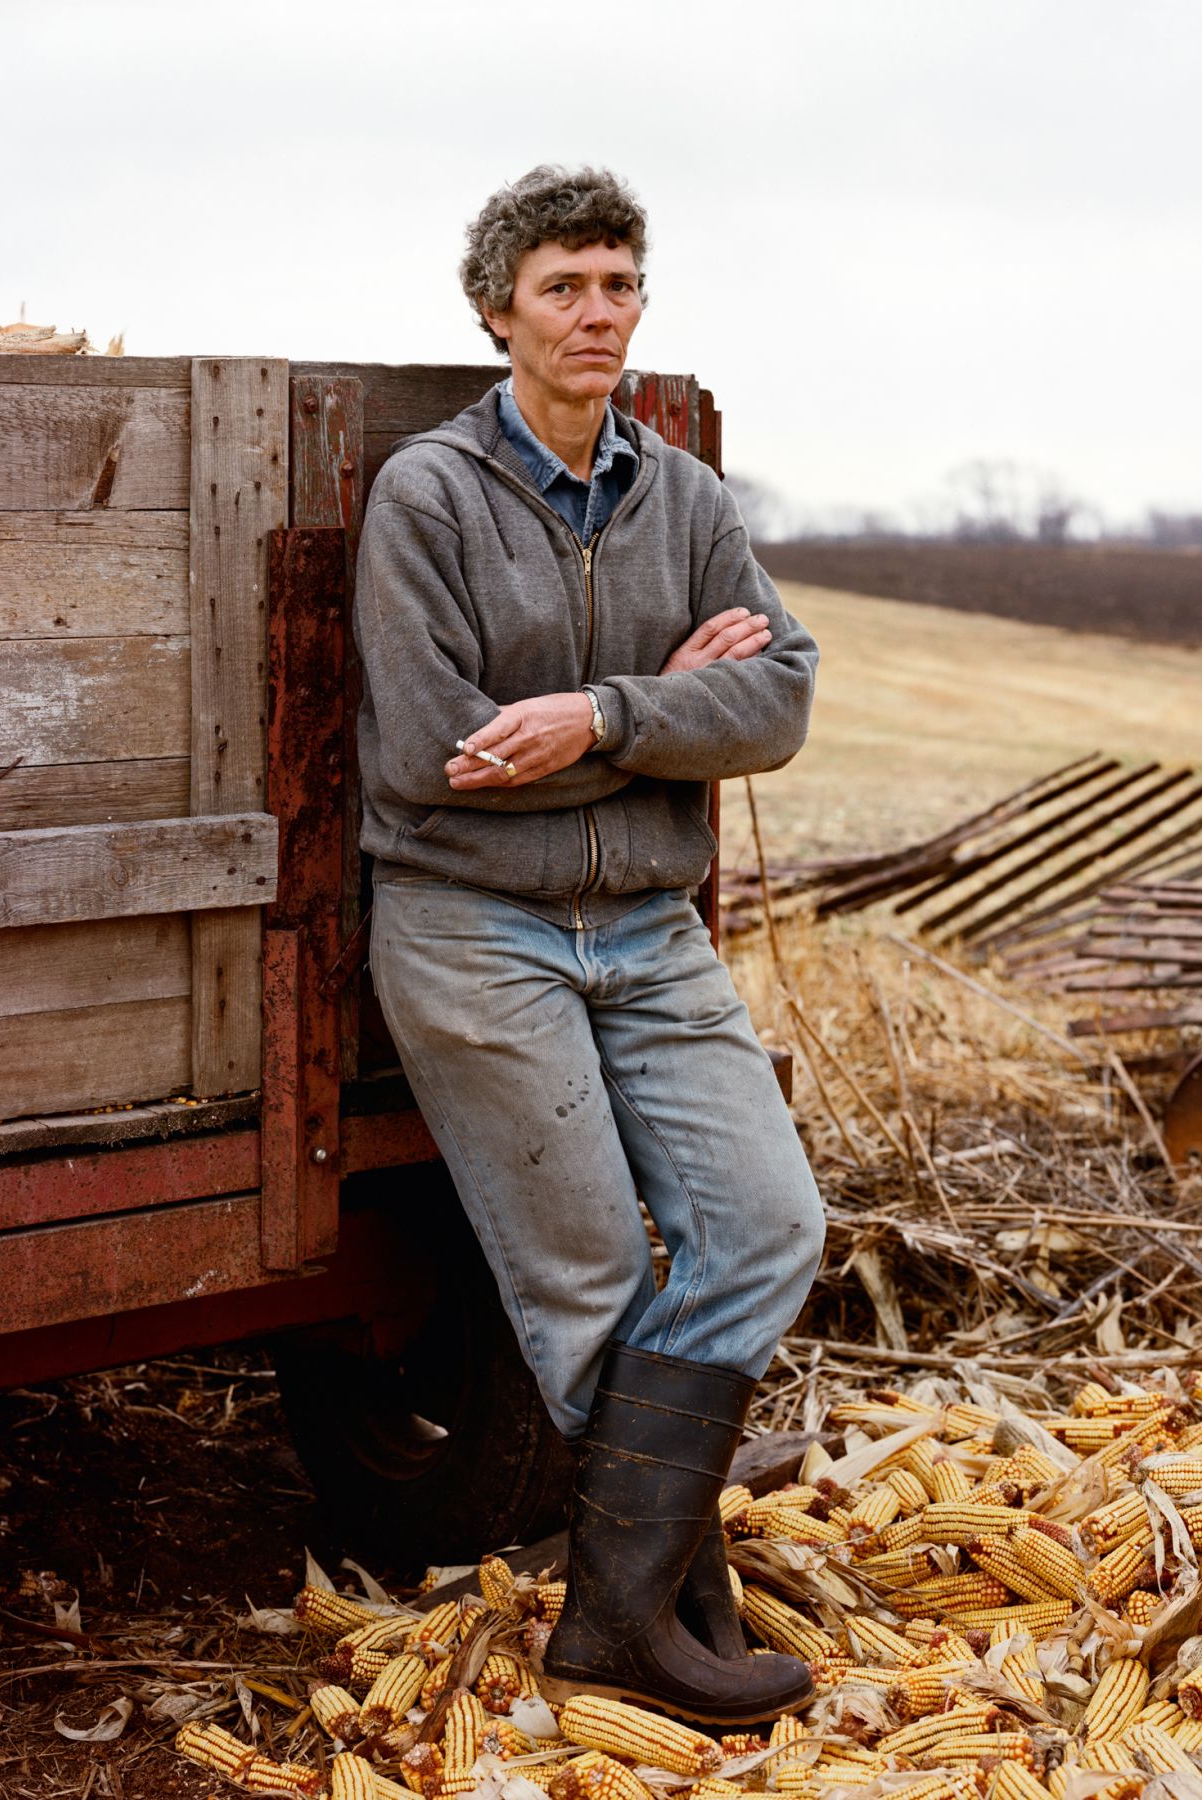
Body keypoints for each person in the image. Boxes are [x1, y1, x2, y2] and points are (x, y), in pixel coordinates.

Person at [353, 165, 826, 1723]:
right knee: (588, 1282)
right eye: (563, 285)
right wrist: (664, 710)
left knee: (768, 1228)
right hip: (473, 929)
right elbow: (435, 752)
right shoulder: (430, 492)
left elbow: (781, 703)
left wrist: (600, 713)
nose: (598, 313)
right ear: (497, 310)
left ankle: (633, 1607)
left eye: (619, 283)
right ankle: (655, 1610)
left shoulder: (682, 498)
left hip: (640, 924)